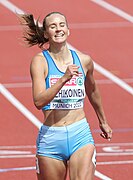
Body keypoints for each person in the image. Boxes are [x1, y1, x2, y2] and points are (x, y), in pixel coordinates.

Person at [19, 12, 112, 180]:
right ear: (46, 33)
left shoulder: (84, 60)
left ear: (68, 30)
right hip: (52, 137)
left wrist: (103, 121)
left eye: (62, 25)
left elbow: (92, 90)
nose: (58, 29)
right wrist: (63, 79)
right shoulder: (40, 61)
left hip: (80, 133)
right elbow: (39, 101)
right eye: (53, 26)